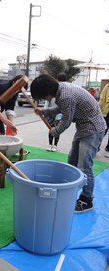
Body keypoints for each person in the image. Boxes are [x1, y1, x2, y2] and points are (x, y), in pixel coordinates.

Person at [30, 74, 106, 213]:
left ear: (46, 92)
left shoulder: (66, 96)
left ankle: (86, 200)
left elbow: (66, 120)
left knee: (84, 165)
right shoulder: (62, 89)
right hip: (83, 128)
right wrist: (44, 111)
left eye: (41, 96)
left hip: (93, 129)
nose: (43, 99)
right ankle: (70, 189)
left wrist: (55, 131)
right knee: (72, 160)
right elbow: (62, 109)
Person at [44, 73, 66, 152]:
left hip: (58, 113)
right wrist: (45, 111)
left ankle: (54, 145)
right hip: (52, 113)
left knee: (55, 129)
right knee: (52, 129)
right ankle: (51, 144)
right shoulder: (53, 88)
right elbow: (47, 101)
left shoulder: (63, 90)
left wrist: (45, 111)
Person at [99, 83, 109, 156]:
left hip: (106, 112)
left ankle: (108, 148)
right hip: (106, 113)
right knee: (102, 130)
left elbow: (102, 99)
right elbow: (102, 100)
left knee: (102, 131)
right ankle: (96, 147)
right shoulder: (107, 86)